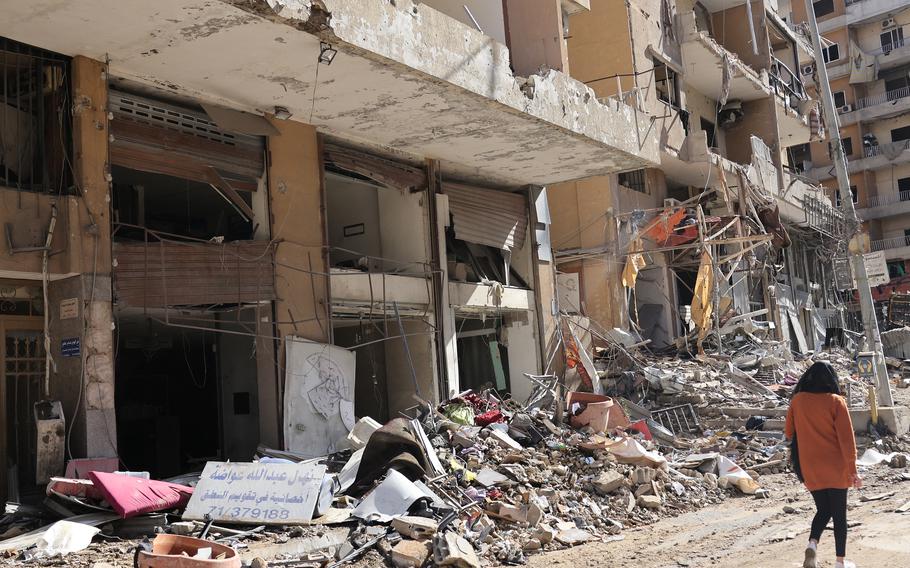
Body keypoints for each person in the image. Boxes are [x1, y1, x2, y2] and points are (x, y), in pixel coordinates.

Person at [785, 361, 861, 568]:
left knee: (823, 509)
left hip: (810, 466)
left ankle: (813, 544)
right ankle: (840, 562)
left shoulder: (797, 401)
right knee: (839, 514)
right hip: (836, 467)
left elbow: (789, 433)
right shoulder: (837, 402)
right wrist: (853, 470)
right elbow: (847, 440)